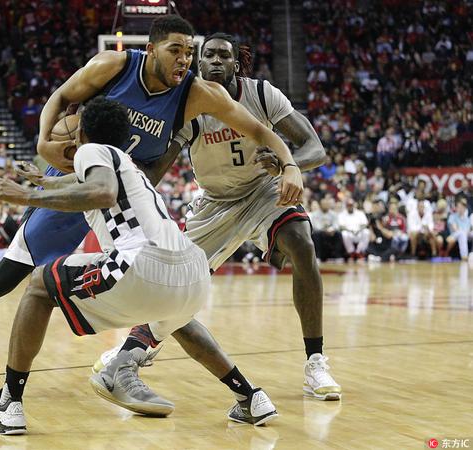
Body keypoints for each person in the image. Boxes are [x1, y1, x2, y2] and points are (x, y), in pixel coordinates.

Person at [0, 17, 302, 422]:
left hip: (123, 194)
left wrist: (290, 165)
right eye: (176, 50)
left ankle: (124, 371)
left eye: (189, 52)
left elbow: (262, 131)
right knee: (9, 276)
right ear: (151, 49)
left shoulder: (197, 93)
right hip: (77, 183)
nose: (185, 60)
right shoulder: (114, 66)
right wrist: (43, 144)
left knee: (160, 289)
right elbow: (60, 98)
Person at [0, 97, 276, 434]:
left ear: (81, 133)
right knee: (177, 319)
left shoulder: (91, 150)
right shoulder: (126, 164)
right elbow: (82, 184)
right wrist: (42, 182)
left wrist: (25, 197)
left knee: (38, 286)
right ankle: (250, 397)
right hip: (193, 275)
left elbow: (101, 193)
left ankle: (8, 405)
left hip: (139, 265)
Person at [93, 33, 340, 406]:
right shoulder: (189, 104)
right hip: (214, 204)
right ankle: (138, 345)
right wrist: (118, 177)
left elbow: (314, 147)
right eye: (207, 55)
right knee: (173, 285)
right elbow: (157, 169)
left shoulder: (262, 95)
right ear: (199, 63)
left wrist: (287, 164)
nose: (215, 61)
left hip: (262, 192)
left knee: (302, 244)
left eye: (223, 55)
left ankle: (315, 362)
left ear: (236, 64)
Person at [310, 194, 343, 261]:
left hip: (331, 232)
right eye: (324, 204)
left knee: (339, 234)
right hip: (320, 233)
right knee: (316, 234)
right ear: (320, 205)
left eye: (327, 204)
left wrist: (332, 229)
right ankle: (318, 256)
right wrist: (325, 230)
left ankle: (337, 256)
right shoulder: (315, 214)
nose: (325, 205)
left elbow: (336, 225)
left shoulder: (333, 214)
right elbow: (315, 226)